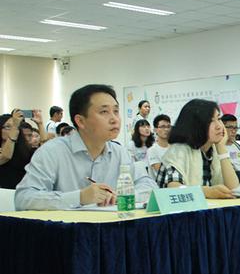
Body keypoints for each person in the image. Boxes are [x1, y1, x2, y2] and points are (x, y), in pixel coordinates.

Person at [14, 84, 157, 210]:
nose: (114, 119)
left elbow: (149, 187)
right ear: (81, 121)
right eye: (104, 112)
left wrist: (123, 195)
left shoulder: (120, 153)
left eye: (116, 111)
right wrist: (80, 197)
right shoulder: (52, 152)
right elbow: (23, 198)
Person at [156, 99, 239, 199]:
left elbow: (234, 189)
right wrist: (206, 192)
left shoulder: (213, 150)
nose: (219, 126)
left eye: (219, 118)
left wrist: (221, 149)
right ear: (196, 125)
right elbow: (174, 189)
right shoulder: (178, 151)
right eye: (211, 121)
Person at [0, 113, 36, 189]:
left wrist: (40, 124)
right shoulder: (5, 152)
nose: (12, 130)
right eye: (8, 127)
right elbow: (5, 157)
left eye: (15, 126)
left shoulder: (23, 149)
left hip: (20, 191)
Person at [147, 114, 171, 178]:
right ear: (155, 130)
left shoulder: (174, 148)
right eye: (163, 126)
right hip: (160, 183)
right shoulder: (152, 150)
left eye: (168, 126)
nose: (166, 129)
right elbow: (162, 171)